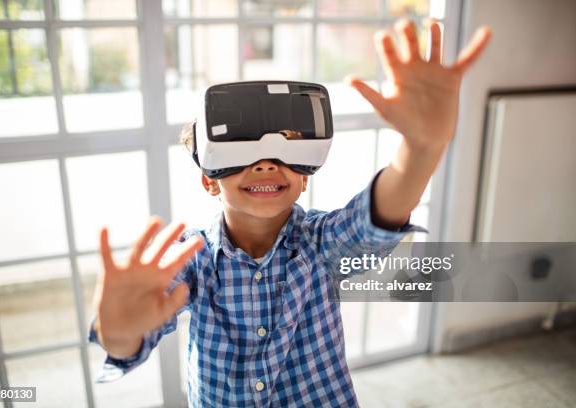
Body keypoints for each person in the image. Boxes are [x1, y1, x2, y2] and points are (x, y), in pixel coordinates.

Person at [89, 18, 491, 407]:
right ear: (210, 180)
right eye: (241, 152)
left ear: (304, 179)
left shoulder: (322, 243)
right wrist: (119, 330)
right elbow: (131, 335)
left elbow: (377, 214)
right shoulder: (190, 259)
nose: (266, 163)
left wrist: (421, 148)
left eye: (287, 148)